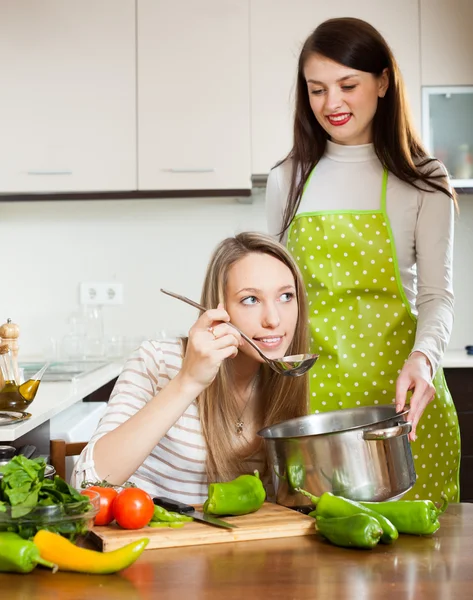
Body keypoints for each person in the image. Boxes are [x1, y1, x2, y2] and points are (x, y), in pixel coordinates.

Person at [265, 17, 460, 503]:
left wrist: (425, 358)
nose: (331, 104)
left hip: (404, 404)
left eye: (347, 85)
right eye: (316, 90)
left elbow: (437, 296)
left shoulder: (424, 179)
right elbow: (277, 297)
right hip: (314, 412)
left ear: (383, 82)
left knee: (423, 569)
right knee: (321, 570)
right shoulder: (287, 179)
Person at [72, 232, 309, 503]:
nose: (273, 319)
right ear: (219, 309)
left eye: (286, 296)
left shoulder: (289, 378)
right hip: (153, 539)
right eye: (251, 299)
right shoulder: (158, 360)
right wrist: (188, 381)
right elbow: (86, 484)